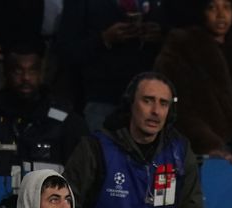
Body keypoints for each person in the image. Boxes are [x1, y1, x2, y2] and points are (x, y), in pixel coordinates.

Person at [64, 72, 203, 208]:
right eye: (148, 100)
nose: (155, 111)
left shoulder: (179, 152)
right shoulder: (95, 149)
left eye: (163, 103)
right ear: (130, 104)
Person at [154, 0, 232, 159]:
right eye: (212, 7)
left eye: (227, 6)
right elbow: (178, 106)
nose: (221, 15)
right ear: (199, 10)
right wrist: (208, 144)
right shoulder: (181, 46)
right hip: (197, 151)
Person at [0, 41, 88, 174]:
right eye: (18, 71)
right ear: (6, 72)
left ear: (41, 73)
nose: (26, 77)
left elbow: (82, 175)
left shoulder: (65, 122)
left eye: (32, 70)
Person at [56, 0, 167, 131]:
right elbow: (66, 50)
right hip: (102, 96)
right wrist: (104, 39)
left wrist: (161, 34)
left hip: (148, 95)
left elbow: (180, 25)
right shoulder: (83, 4)